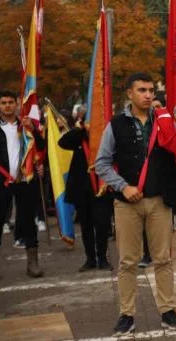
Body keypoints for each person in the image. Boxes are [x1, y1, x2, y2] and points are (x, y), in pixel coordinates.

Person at [95, 73, 176, 335]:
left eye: (151, 90)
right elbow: (101, 163)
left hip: (159, 201)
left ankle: (168, 311)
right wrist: (124, 186)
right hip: (127, 204)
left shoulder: (165, 121)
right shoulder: (116, 125)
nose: (148, 95)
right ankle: (127, 315)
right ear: (129, 94)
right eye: (142, 90)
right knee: (128, 261)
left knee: (163, 259)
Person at [0, 89, 45, 277]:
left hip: (25, 179)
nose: (8, 105)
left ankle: (32, 264)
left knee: (27, 222)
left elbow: (41, 146)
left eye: (11, 102)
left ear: (17, 104)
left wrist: (33, 129)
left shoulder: (26, 126)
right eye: (3, 102)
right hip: (1, 182)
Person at [60, 109, 112, 271]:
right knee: (86, 225)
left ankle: (102, 258)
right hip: (82, 188)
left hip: (102, 187)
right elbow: (63, 143)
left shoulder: (107, 135)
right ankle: (90, 258)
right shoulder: (79, 137)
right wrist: (80, 129)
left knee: (102, 224)